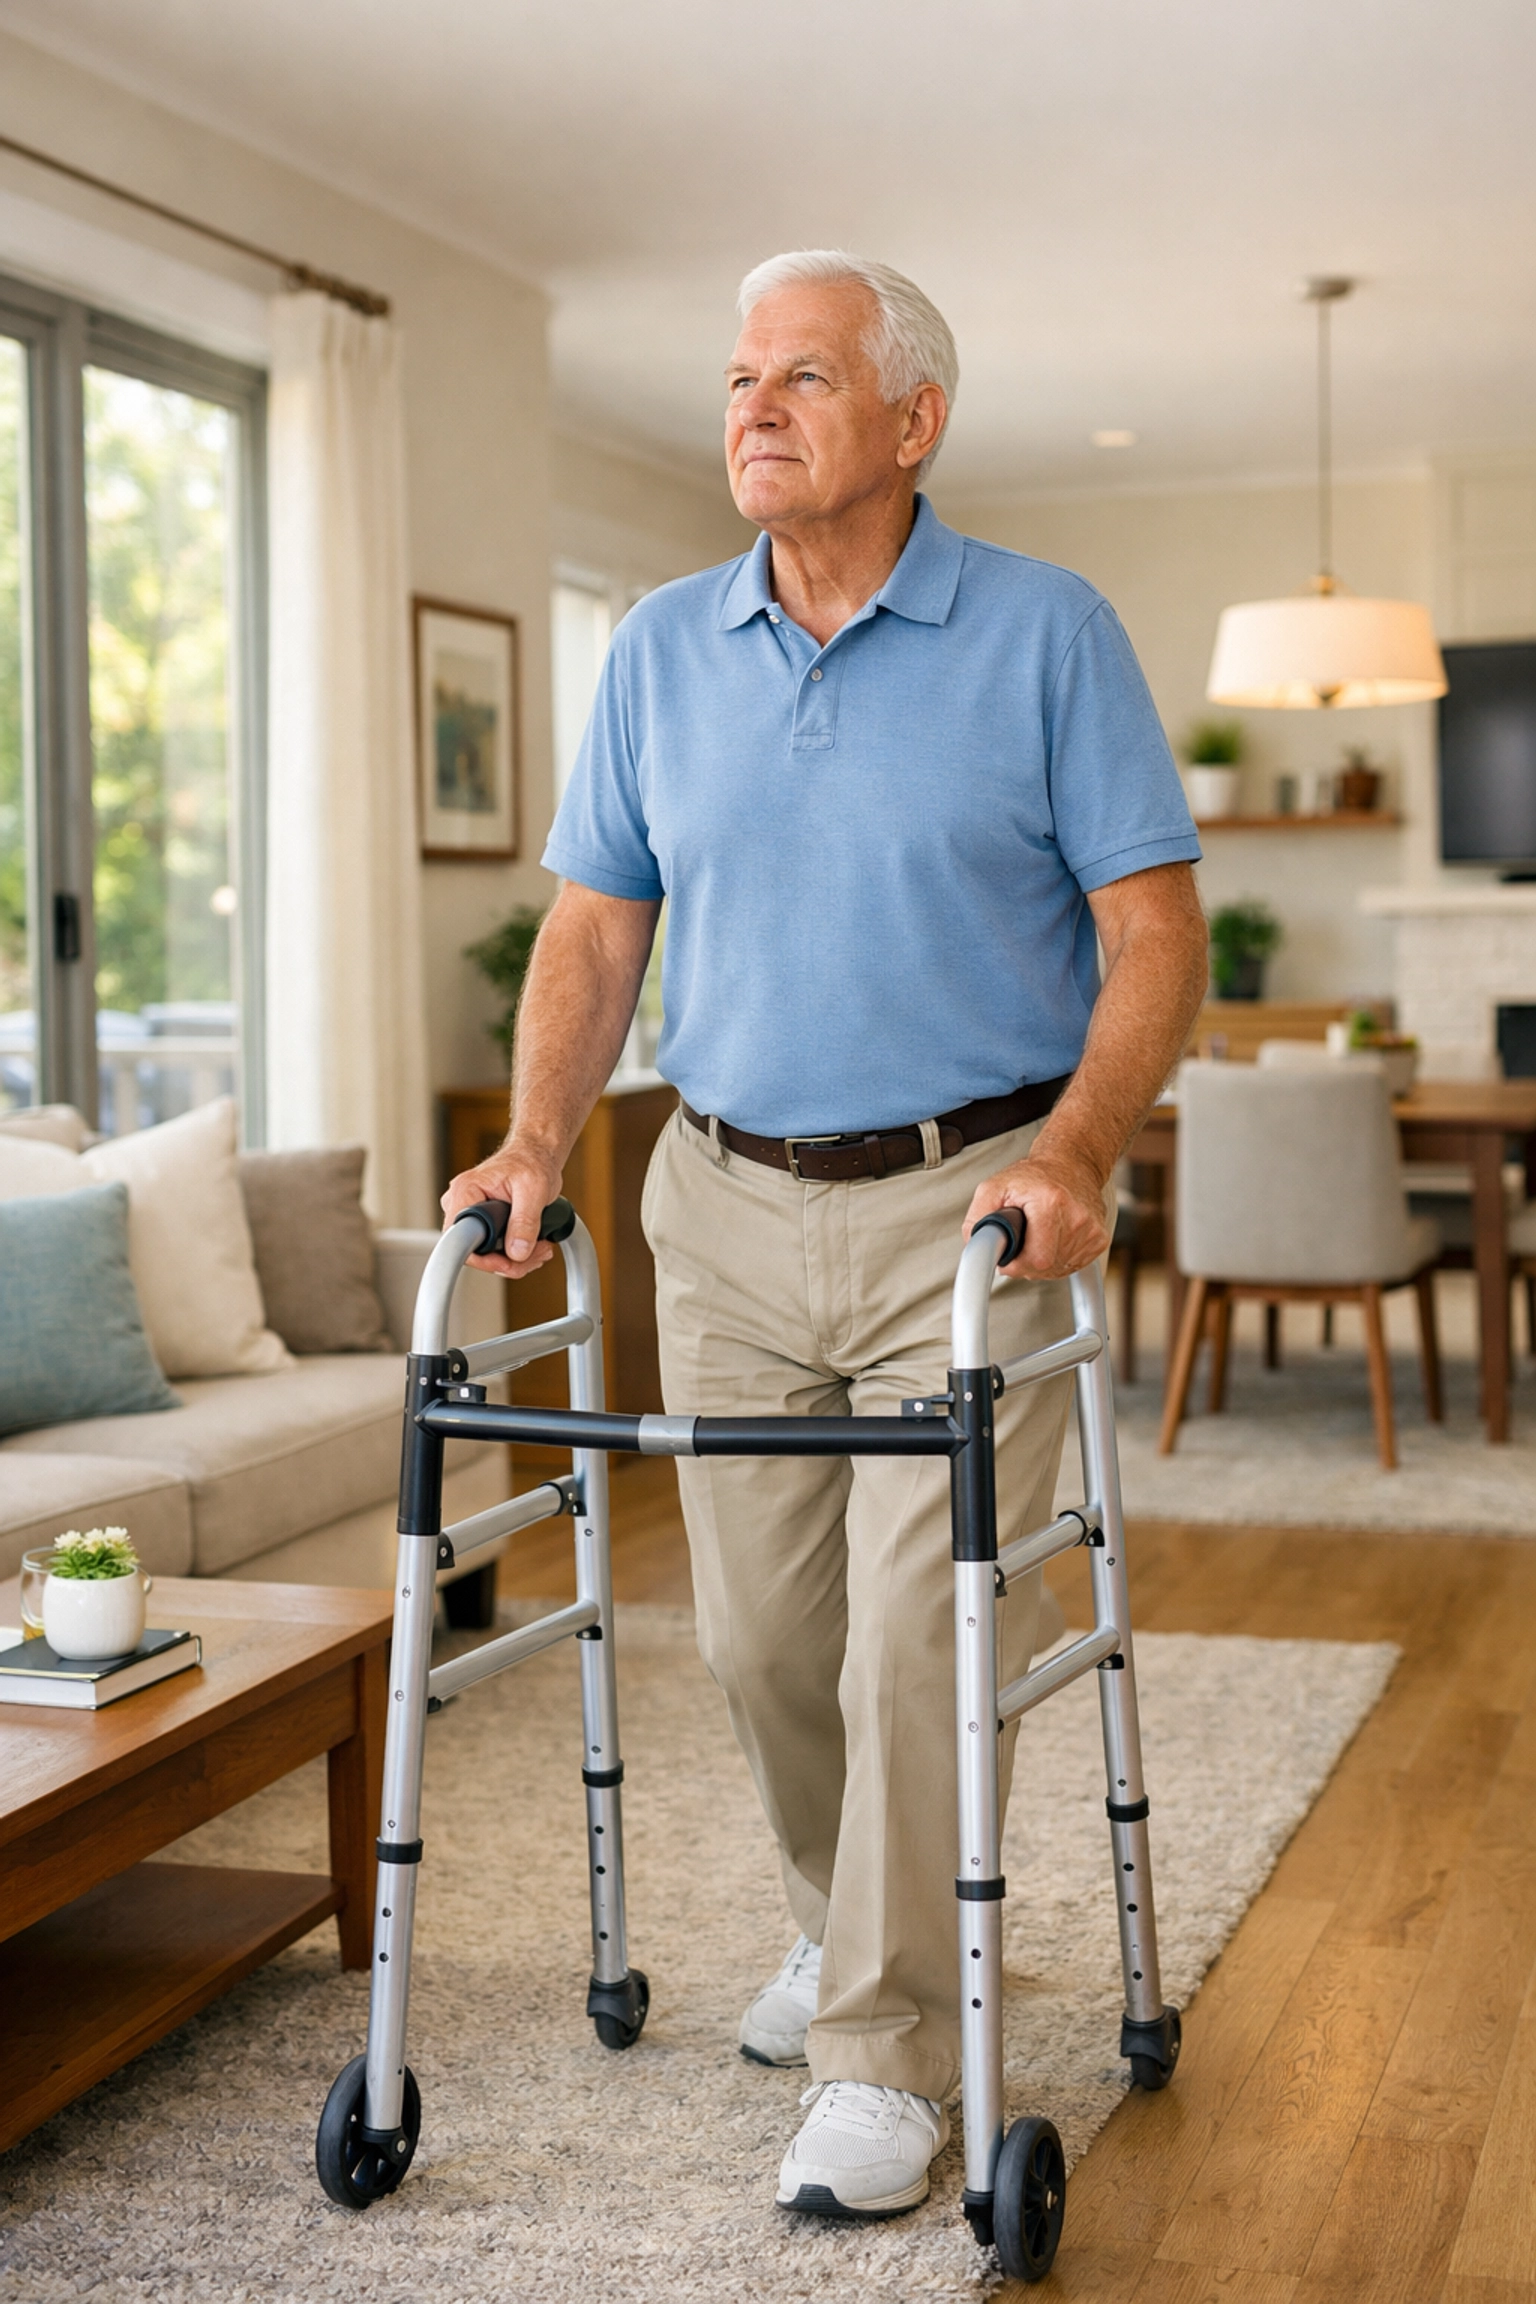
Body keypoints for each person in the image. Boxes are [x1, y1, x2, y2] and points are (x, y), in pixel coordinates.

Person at [444, 248, 1208, 2221]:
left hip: (970, 1220)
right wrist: (537, 1134)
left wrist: (1081, 1144)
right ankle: (840, 1922)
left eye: (802, 376)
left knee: (909, 1630)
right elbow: (600, 926)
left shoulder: (1046, 633)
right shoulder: (664, 655)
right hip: (721, 1204)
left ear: (913, 420)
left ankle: (886, 2051)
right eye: (736, 381)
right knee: (767, 1637)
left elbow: (1153, 935)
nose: (753, 412)